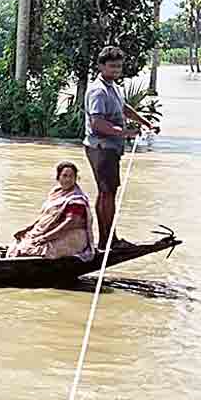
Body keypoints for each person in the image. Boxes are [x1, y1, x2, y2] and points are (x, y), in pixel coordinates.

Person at [85, 46, 160, 249]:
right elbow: (97, 123)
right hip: (100, 147)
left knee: (108, 192)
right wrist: (125, 133)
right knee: (106, 193)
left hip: (111, 148)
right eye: (112, 66)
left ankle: (108, 239)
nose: (116, 70)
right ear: (101, 66)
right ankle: (108, 241)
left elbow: (124, 108)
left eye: (118, 66)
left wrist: (146, 123)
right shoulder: (98, 91)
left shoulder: (114, 87)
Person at [8, 162, 94, 261]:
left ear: (75, 178)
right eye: (64, 176)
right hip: (51, 231)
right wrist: (28, 229)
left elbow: (69, 223)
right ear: (58, 177)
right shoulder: (56, 192)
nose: (68, 179)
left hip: (71, 236)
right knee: (17, 244)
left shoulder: (76, 199)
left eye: (71, 176)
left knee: (27, 250)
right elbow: (46, 216)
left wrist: (45, 238)